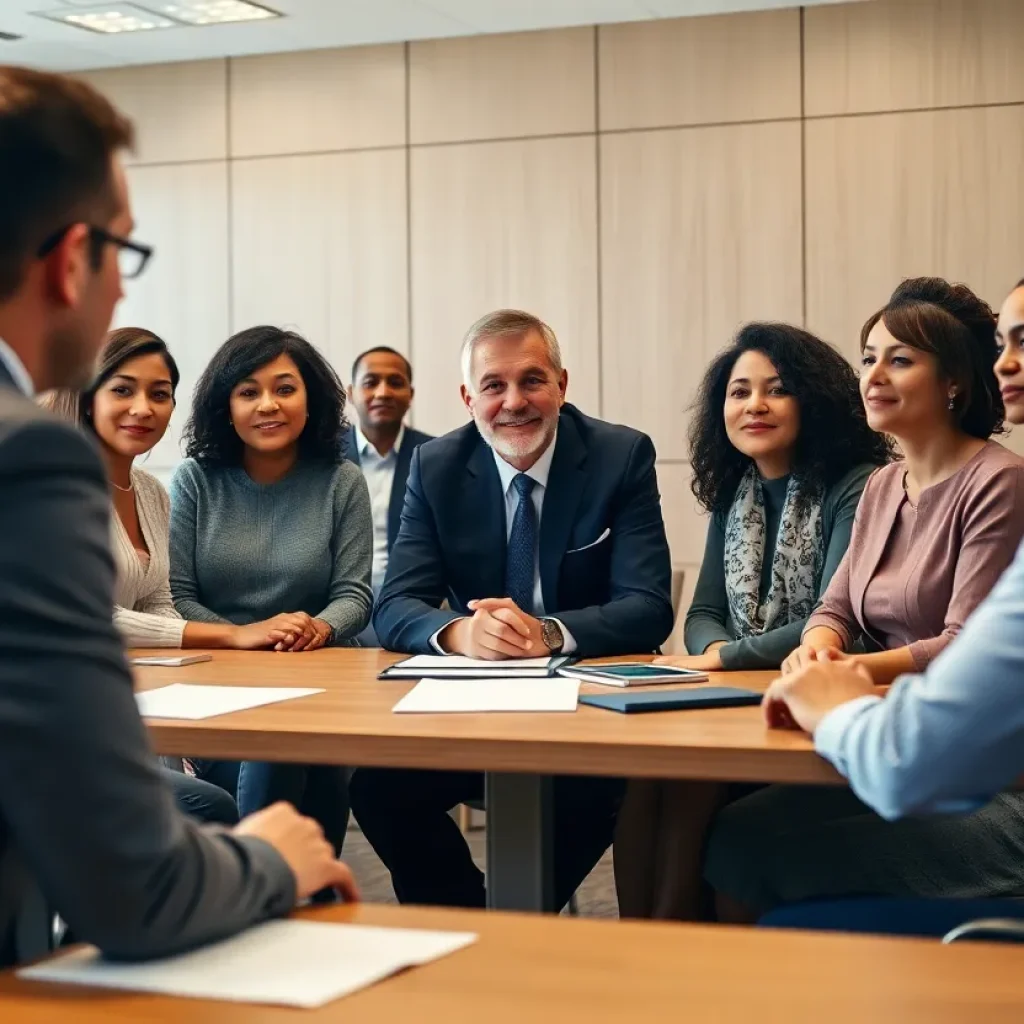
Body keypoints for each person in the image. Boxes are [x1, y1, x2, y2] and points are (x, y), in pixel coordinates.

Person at [0, 64, 355, 970]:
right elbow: (133, 886)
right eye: (124, 252)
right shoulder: (30, 460)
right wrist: (271, 860)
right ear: (70, 259)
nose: (123, 290)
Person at [703, 277, 1024, 924]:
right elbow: (836, 608)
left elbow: (966, 642)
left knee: (753, 846)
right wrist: (822, 647)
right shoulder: (881, 484)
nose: (874, 375)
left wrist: (845, 675)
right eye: (868, 358)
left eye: (899, 359)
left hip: (987, 780)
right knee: (735, 825)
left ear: (955, 381)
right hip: (900, 730)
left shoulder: (1000, 481)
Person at [351, 308, 673, 909]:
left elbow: (649, 607)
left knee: (605, 791)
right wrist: (460, 634)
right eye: (494, 385)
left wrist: (548, 633)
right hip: (475, 707)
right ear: (468, 397)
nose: (514, 401)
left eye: (532, 380)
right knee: (377, 788)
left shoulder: (620, 455)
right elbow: (395, 604)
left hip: (588, 713)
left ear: (562, 386)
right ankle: (477, 925)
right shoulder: (437, 466)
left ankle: (506, 924)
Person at [614, 323, 890, 920]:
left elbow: (835, 618)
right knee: (645, 777)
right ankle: (636, 948)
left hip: (819, 699)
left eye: (777, 389)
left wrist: (722, 658)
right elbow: (705, 615)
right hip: (743, 693)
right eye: (739, 392)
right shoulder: (734, 492)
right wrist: (720, 654)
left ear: (812, 400)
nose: (754, 405)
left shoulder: (859, 486)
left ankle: (670, 946)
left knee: (692, 779)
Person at [170, 325, 373, 857]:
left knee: (304, 766)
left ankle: (273, 891)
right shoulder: (195, 479)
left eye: (285, 388)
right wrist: (248, 636)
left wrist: (320, 625)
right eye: (248, 391)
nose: (268, 405)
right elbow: (177, 597)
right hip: (220, 682)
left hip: (319, 675)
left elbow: (354, 594)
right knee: (278, 751)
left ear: (312, 399)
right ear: (226, 405)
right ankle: (283, 887)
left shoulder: (342, 480)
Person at [344, 345, 432, 645]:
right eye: (371, 383)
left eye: (395, 383)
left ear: (411, 394)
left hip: (412, 598)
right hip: (336, 596)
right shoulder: (321, 459)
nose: (383, 392)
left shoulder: (435, 457)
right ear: (350, 393)